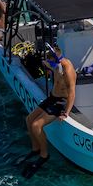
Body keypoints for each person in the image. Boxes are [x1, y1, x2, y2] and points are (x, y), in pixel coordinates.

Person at [21, 42, 76, 178]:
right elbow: (48, 66)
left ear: (56, 59)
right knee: (28, 120)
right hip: (52, 98)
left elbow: (72, 93)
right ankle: (35, 148)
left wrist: (66, 113)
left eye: (50, 60)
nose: (48, 62)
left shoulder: (67, 69)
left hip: (60, 103)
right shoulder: (56, 65)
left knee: (36, 125)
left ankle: (44, 155)